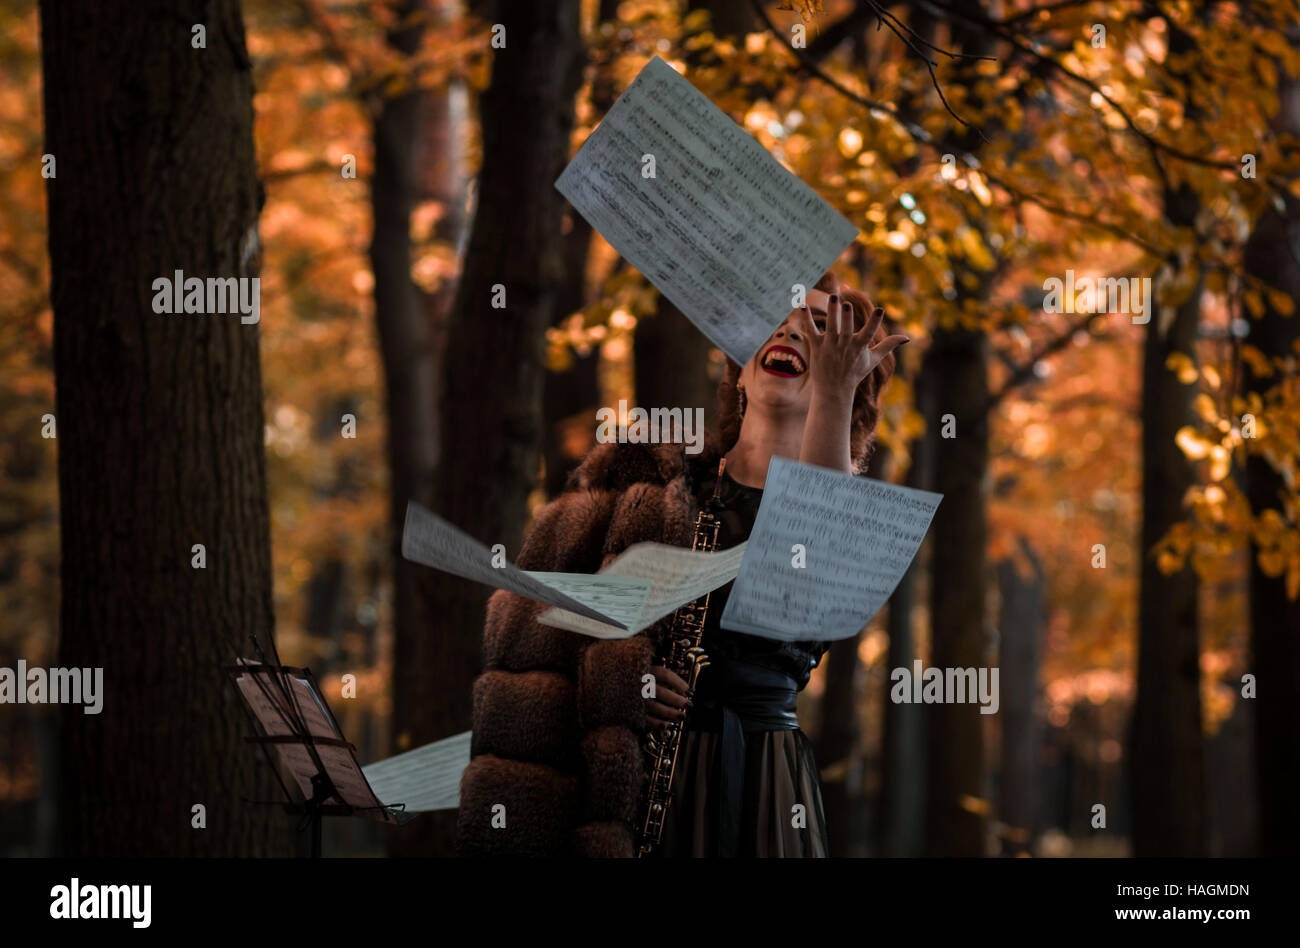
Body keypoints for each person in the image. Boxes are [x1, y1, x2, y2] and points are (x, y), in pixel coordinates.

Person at [456, 271, 907, 857]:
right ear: (740, 365)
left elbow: (807, 584)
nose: (793, 331)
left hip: (760, 790)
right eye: (779, 318)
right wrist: (619, 684)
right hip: (628, 794)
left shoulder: (850, 517)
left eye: (820, 331)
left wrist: (835, 395)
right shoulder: (635, 482)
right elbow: (526, 639)